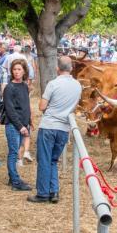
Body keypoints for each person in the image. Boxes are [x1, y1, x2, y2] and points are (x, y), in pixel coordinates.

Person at [28, 56, 82, 203]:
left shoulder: (53, 84)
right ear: (71, 68)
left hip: (49, 126)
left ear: (57, 68)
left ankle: (43, 193)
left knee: (44, 160)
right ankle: (54, 191)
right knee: (53, 160)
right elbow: (74, 107)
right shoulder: (78, 85)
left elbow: (42, 106)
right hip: (64, 128)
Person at [3, 59, 33, 191]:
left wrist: (28, 122)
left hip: (23, 124)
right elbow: (10, 110)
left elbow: (26, 105)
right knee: (13, 152)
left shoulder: (24, 86)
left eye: (19, 69)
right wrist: (20, 126)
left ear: (24, 71)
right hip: (13, 125)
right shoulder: (10, 88)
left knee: (17, 150)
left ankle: (12, 177)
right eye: (14, 69)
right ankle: (15, 181)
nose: (16, 72)